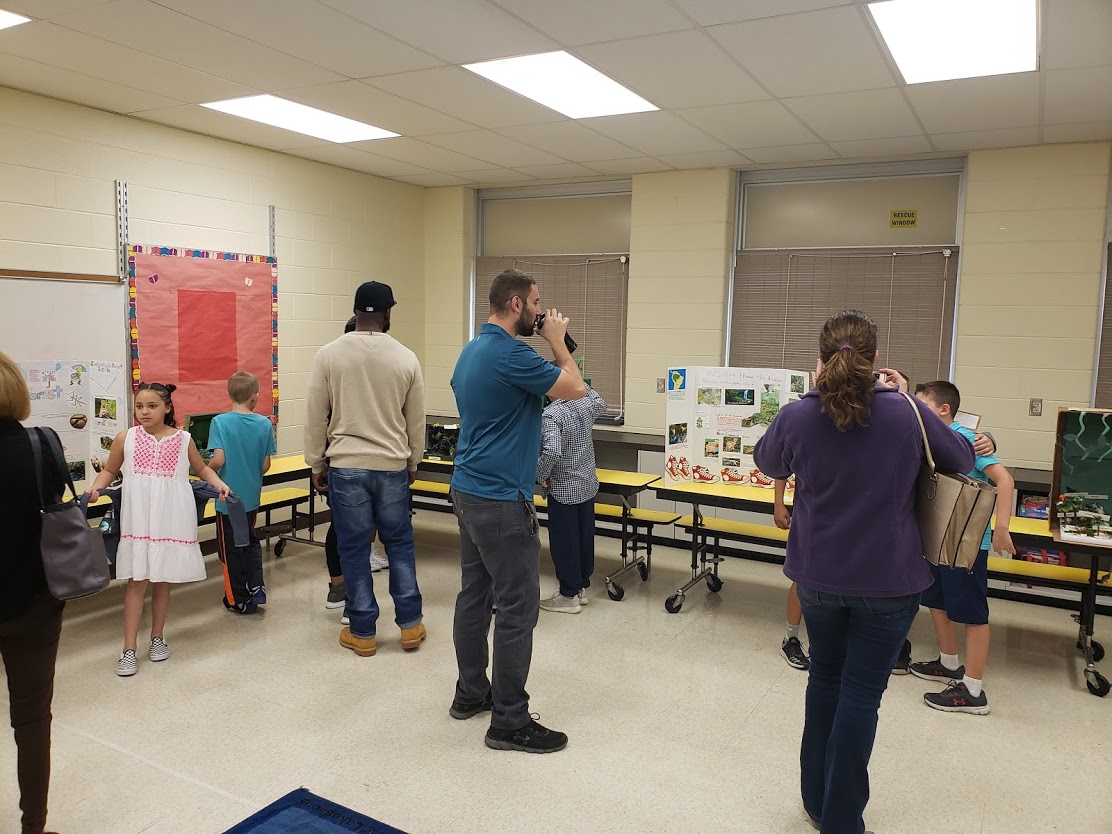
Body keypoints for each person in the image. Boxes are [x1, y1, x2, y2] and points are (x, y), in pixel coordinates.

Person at [754, 310, 973, 834]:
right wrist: (916, 401)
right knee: (860, 695)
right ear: (876, 361)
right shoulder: (906, 414)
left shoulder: (798, 414)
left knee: (824, 679)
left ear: (820, 360)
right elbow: (961, 458)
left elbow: (768, 462)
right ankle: (842, 819)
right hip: (889, 581)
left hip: (818, 577)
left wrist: (810, 397)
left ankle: (816, 800)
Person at [449, 268, 585, 754]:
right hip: (501, 500)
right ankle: (508, 720)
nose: (541, 311)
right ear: (514, 305)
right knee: (517, 608)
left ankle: (470, 694)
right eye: (536, 303)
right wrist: (557, 341)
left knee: (474, 593)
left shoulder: (473, 351)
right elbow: (576, 389)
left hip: (467, 489)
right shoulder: (511, 354)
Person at [304, 281, 426, 658]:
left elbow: (314, 415)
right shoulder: (406, 357)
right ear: (388, 313)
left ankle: (362, 632)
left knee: (354, 550)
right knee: (400, 547)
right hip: (391, 466)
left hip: (346, 466)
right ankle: (410, 626)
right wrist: (412, 462)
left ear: (355, 311)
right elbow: (415, 421)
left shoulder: (328, 355)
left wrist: (316, 462)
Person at [86, 382, 231, 677]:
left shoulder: (183, 439)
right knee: (137, 582)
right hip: (138, 518)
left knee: (162, 579)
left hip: (170, 517)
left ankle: (157, 637)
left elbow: (202, 469)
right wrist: (95, 489)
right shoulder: (125, 438)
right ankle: (128, 649)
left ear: (167, 408)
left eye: (152, 406)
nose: (144, 412)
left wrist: (219, 484)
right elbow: (110, 470)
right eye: (139, 406)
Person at [908, 380, 1015, 715]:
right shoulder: (931, 438)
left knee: (971, 613)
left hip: (967, 541)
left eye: (924, 406)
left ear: (944, 410)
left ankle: (973, 690)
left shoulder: (966, 439)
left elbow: (1004, 479)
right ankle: (949, 662)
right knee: (937, 602)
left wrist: (1001, 528)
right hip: (940, 537)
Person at [0, 351, 66, 834]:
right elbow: (53, 512)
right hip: (33, 601)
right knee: (31, 721)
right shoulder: (43, 444)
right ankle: (33, 827)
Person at [320, 317, 388, 623]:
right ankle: (347, 596)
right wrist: (319, 464)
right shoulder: (336, 371)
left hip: (367, 465)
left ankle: (346, 592)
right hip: (344, 465)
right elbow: (320, 419)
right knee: (346, 531)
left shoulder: (372, 373)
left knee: (350, 529)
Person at [207, 371, 276, 614]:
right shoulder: (265, 423)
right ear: (255, 397)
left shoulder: (220, 422)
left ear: (229, 394)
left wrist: (203, 469)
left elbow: (219, 459)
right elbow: (265, 465)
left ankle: (237, 599)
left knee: (230, 550)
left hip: (228, 500)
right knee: (250, 541)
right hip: (251, 497)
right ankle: (257, 585)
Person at [536, 381, 607, 614]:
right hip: (586, 484)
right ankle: (580, 588)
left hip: (564, 488)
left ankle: (568, 595)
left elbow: (552, 450)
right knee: (583, 538)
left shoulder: (551, 414)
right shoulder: (585, 404)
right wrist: (578, 383)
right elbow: (601, 401)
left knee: (564, 542)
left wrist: (541, 474)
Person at [773, 479, 809, 671]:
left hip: (852, 515)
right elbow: (780, 465)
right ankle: (790, 638)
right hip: (812, 512)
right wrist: (779, 503)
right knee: (802, 577)